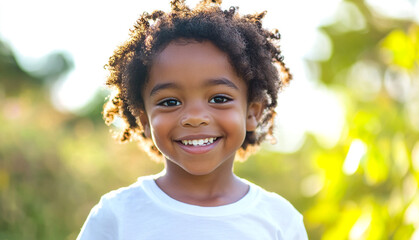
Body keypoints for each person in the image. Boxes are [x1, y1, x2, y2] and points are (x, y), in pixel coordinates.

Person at [77, 0, 308, 239]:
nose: (195, 118)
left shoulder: (279, 220)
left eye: (219, 98)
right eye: (170, 102)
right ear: (144, 120)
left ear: (251, 113)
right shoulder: (117, 216)